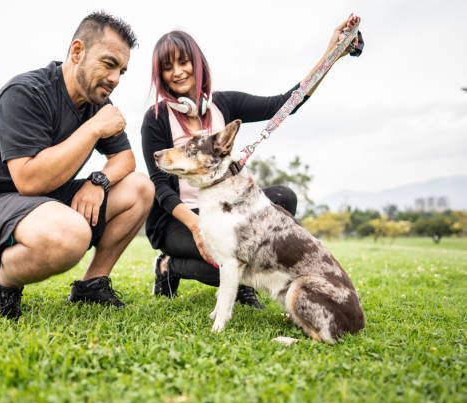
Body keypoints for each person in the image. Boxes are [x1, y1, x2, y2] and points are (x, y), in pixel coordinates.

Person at [142, 15, 361, 305]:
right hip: (178, 220)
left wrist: (331, 55)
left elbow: (284, 103)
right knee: (219, 254)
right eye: (168, 67)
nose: (178, 72)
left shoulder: (224, 104)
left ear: (197, 64)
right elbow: (160, 187)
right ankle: (169, 266)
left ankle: (245, 280)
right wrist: (197, 227)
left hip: (225, 209)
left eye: (184, 62)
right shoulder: (155, 119)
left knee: (282, 199)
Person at [0, 12, 154, 319]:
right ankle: (0, 283)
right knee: (71, 234)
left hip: (45, 202)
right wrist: (93, 129)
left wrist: (97, 182)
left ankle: (91, 285)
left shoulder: (97, 103)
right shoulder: (25, 93)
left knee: (140, 188)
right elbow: (29, 181)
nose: (115, 79)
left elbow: (125, 159)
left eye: (122, 71)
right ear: (77, 52)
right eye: (109, 64)